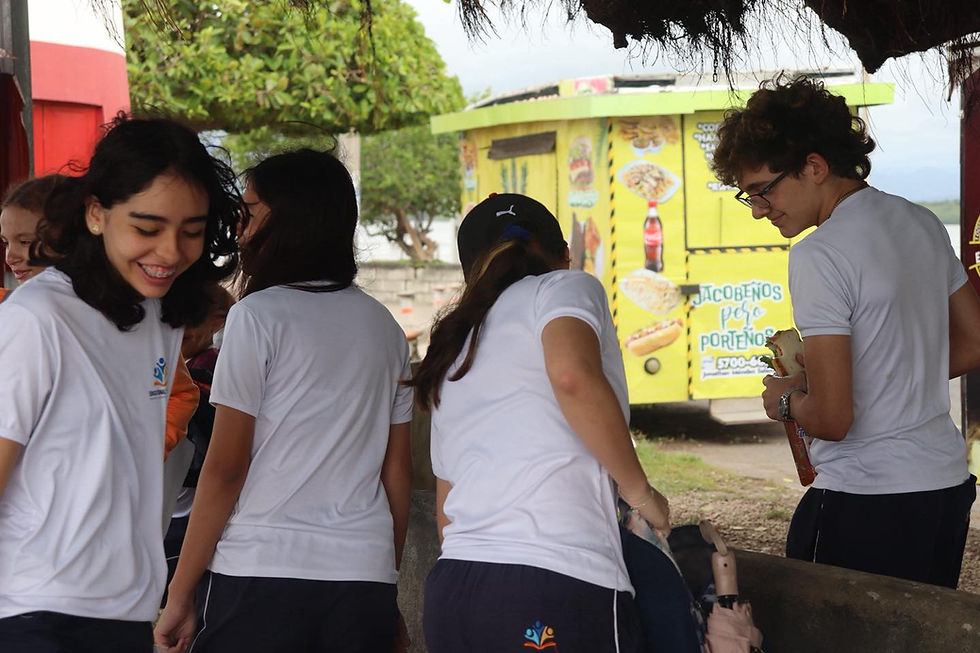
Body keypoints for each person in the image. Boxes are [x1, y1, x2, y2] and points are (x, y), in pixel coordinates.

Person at [711, 74, 980, 587]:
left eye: (763, 192)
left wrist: (786, 400)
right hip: (944, 489)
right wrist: (887, 373)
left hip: (867, 496)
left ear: (814, 166)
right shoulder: (919, 221)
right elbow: (974, 342)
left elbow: (833, 419)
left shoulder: (819, 253)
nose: (761, 211)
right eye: (750, 199)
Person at [154, 148, 414, 653]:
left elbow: (226, 469)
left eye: (249, 213)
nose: (240, 229)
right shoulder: (384, 328)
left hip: (263, 572)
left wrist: (180, 594)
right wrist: (385, 577)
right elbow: (397, 473)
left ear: (291, 219)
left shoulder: (257, 317)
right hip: (362, 576)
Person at [0, 115, 240, 652]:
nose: (172, 251)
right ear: (95, 214)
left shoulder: (157, 316)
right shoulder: (37, 319)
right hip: (37, 611)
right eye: (147, 228)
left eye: (192, 231)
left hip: (127, 609)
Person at [408, 193, 671, 653]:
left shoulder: (455, 344)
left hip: (454, 590)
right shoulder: (564, 288)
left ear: (472, 273)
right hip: (553, 581)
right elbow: (572, 376)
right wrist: (641, 495)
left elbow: (447, 505)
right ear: (565, 255)